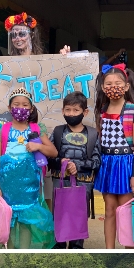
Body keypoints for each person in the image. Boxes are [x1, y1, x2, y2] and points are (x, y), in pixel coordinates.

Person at [0, 87, 58, 248]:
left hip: (29, 188)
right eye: (16, 104)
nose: (21, 108)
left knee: (27, 221)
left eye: (25, 105)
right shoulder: (3, 130)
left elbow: (53, 151)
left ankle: (23, 256)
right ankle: (11, 254)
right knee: (9, 220)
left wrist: (38, 147)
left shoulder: (36, 129)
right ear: (9, 108)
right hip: (7, 188)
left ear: (31, 108)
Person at [91, 64, 134, 249]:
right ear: (103, 87)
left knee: (125, 211)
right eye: (108, 83)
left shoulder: (133, 110)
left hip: (126, 164)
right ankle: (109, 249)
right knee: (109, 210)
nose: (113, 87)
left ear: (126, 86)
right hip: (107, 164)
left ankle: (128, 250)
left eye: (117, 83)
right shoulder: (101, 110)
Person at [46, 91, 101, 248]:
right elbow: (49, 158)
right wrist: (60, 162)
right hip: (59, 182)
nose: (71, 114)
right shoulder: (57, 132)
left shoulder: (92, 134)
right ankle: (59, 246)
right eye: (68, 110)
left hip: (84, 184)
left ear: (85, 112)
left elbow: (97, 162)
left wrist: (78, 165)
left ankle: (77, 247)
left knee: (78, 218)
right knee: (59, 216)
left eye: (76, 110)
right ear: (63, 111)